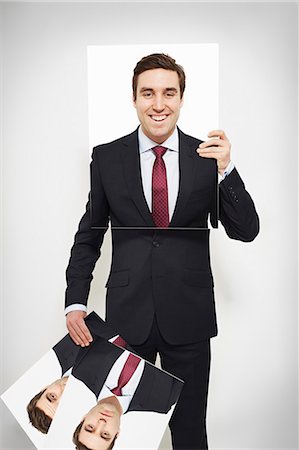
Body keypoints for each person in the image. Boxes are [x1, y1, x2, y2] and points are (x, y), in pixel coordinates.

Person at [64, 53, 259, 449]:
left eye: (169, 93)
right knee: (122, 433)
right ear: (134, 98)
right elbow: (90, 233)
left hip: (189, 316)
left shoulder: (207, 157)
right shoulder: (106, 157)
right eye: (147, 93)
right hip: (127, 315)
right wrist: (75, 302)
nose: (158, 104)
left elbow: (246, 230)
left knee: (188, 429)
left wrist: (226, 169)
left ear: (181, 98)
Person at [71, 336, 183, 450]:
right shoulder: (164, 400)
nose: (101, 423)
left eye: (90, 427)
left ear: (84, 418)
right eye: (105, 434)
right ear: (117, 434)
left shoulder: (81, 365)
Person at [27, 312, 127, 434]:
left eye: (52, 396)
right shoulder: (115, 389)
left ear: (45, 388)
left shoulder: (60, 348)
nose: (62, 395)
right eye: (61, 406)